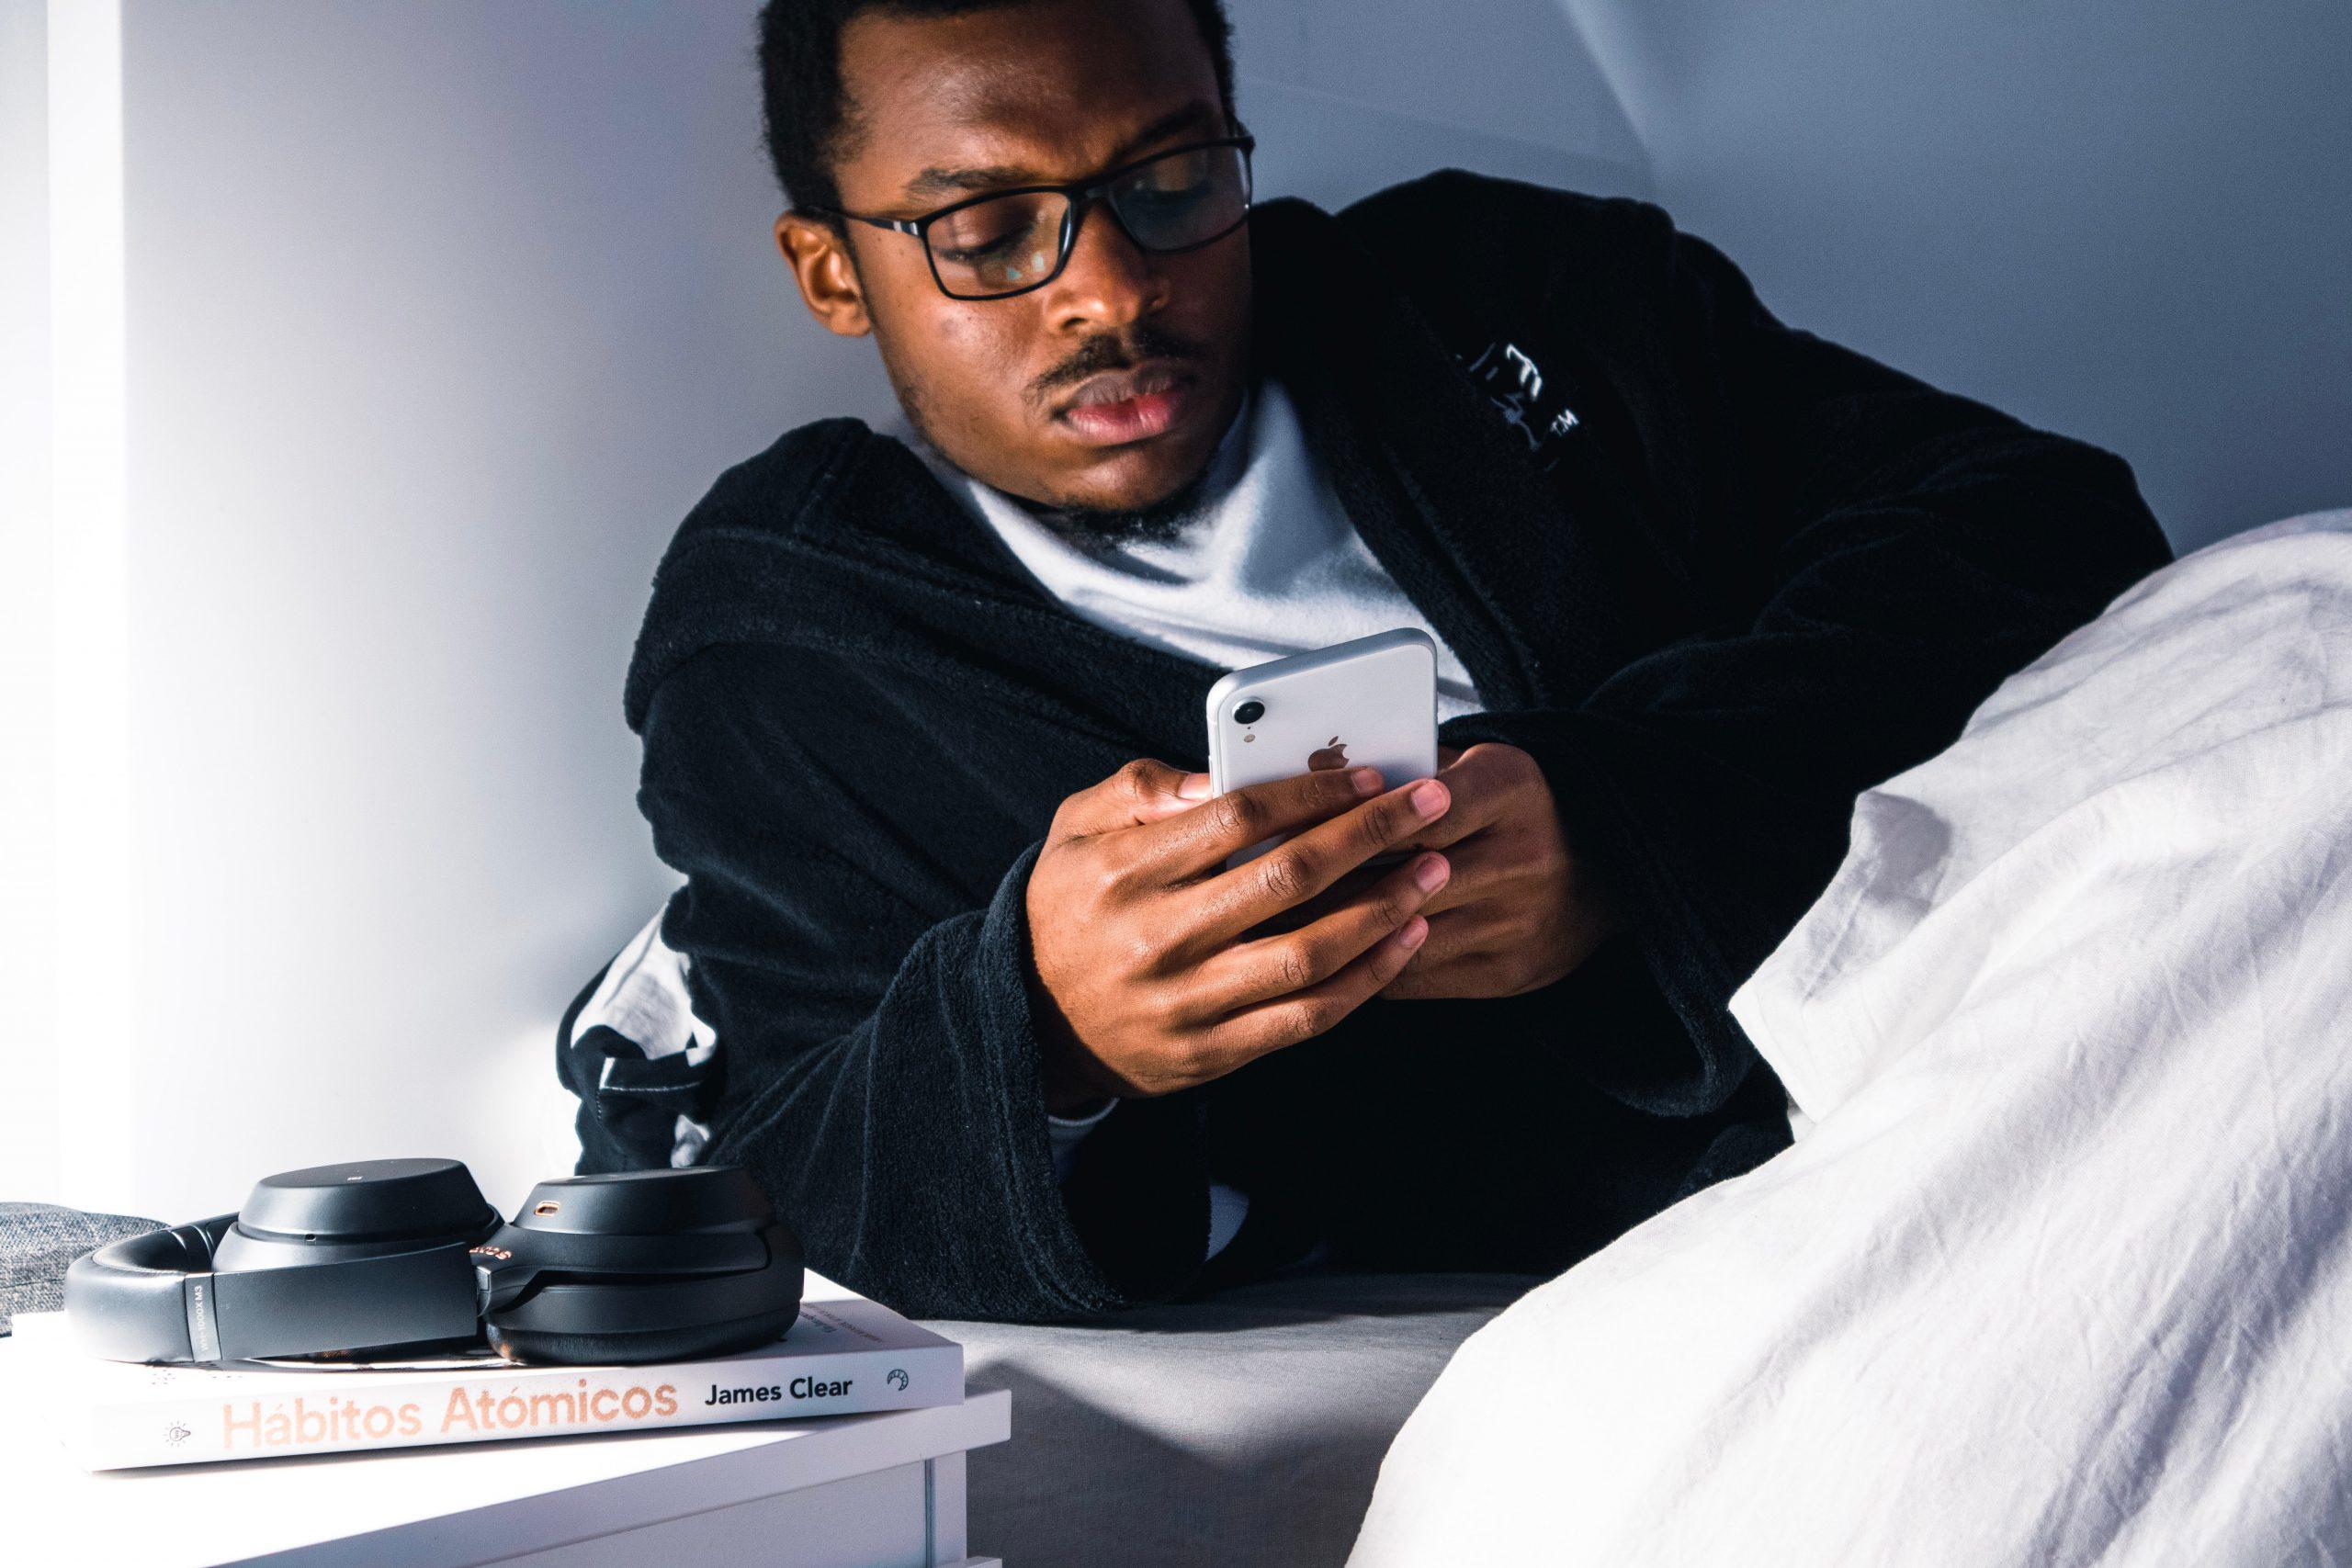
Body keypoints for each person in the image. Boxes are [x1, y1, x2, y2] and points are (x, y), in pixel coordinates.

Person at [555, 0, 2171, 1322]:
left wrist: (1628, 822)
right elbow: (776, 1149)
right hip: (1686, 1238)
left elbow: (2036, 519)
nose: (1112, 292)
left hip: (2009, 993)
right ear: (835, 269)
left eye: (1174, 182)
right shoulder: (790, 647)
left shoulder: (1514, 296)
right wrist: (1044, 1031)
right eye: (987, 232)